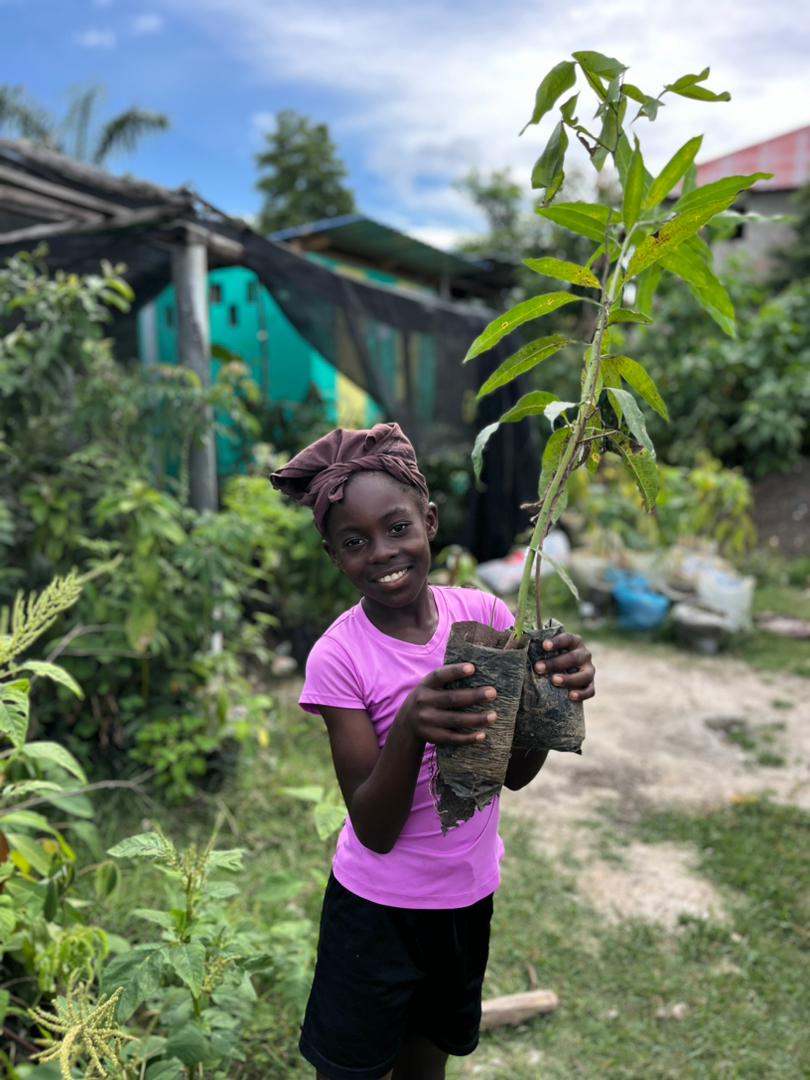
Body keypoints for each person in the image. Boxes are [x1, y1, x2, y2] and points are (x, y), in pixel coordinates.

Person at [271, 422, 595, 1080]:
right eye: (355, 542)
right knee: (352, 1070)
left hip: (464, 902)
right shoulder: (340, 657)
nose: (383, 553)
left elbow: (509, 775)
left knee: (426, 1064)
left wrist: (556, 695)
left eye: (397, 528)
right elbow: (374, 826)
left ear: (430, 521)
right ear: (333, 554)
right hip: (376, 913)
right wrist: (413, 725)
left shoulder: (484, 617)